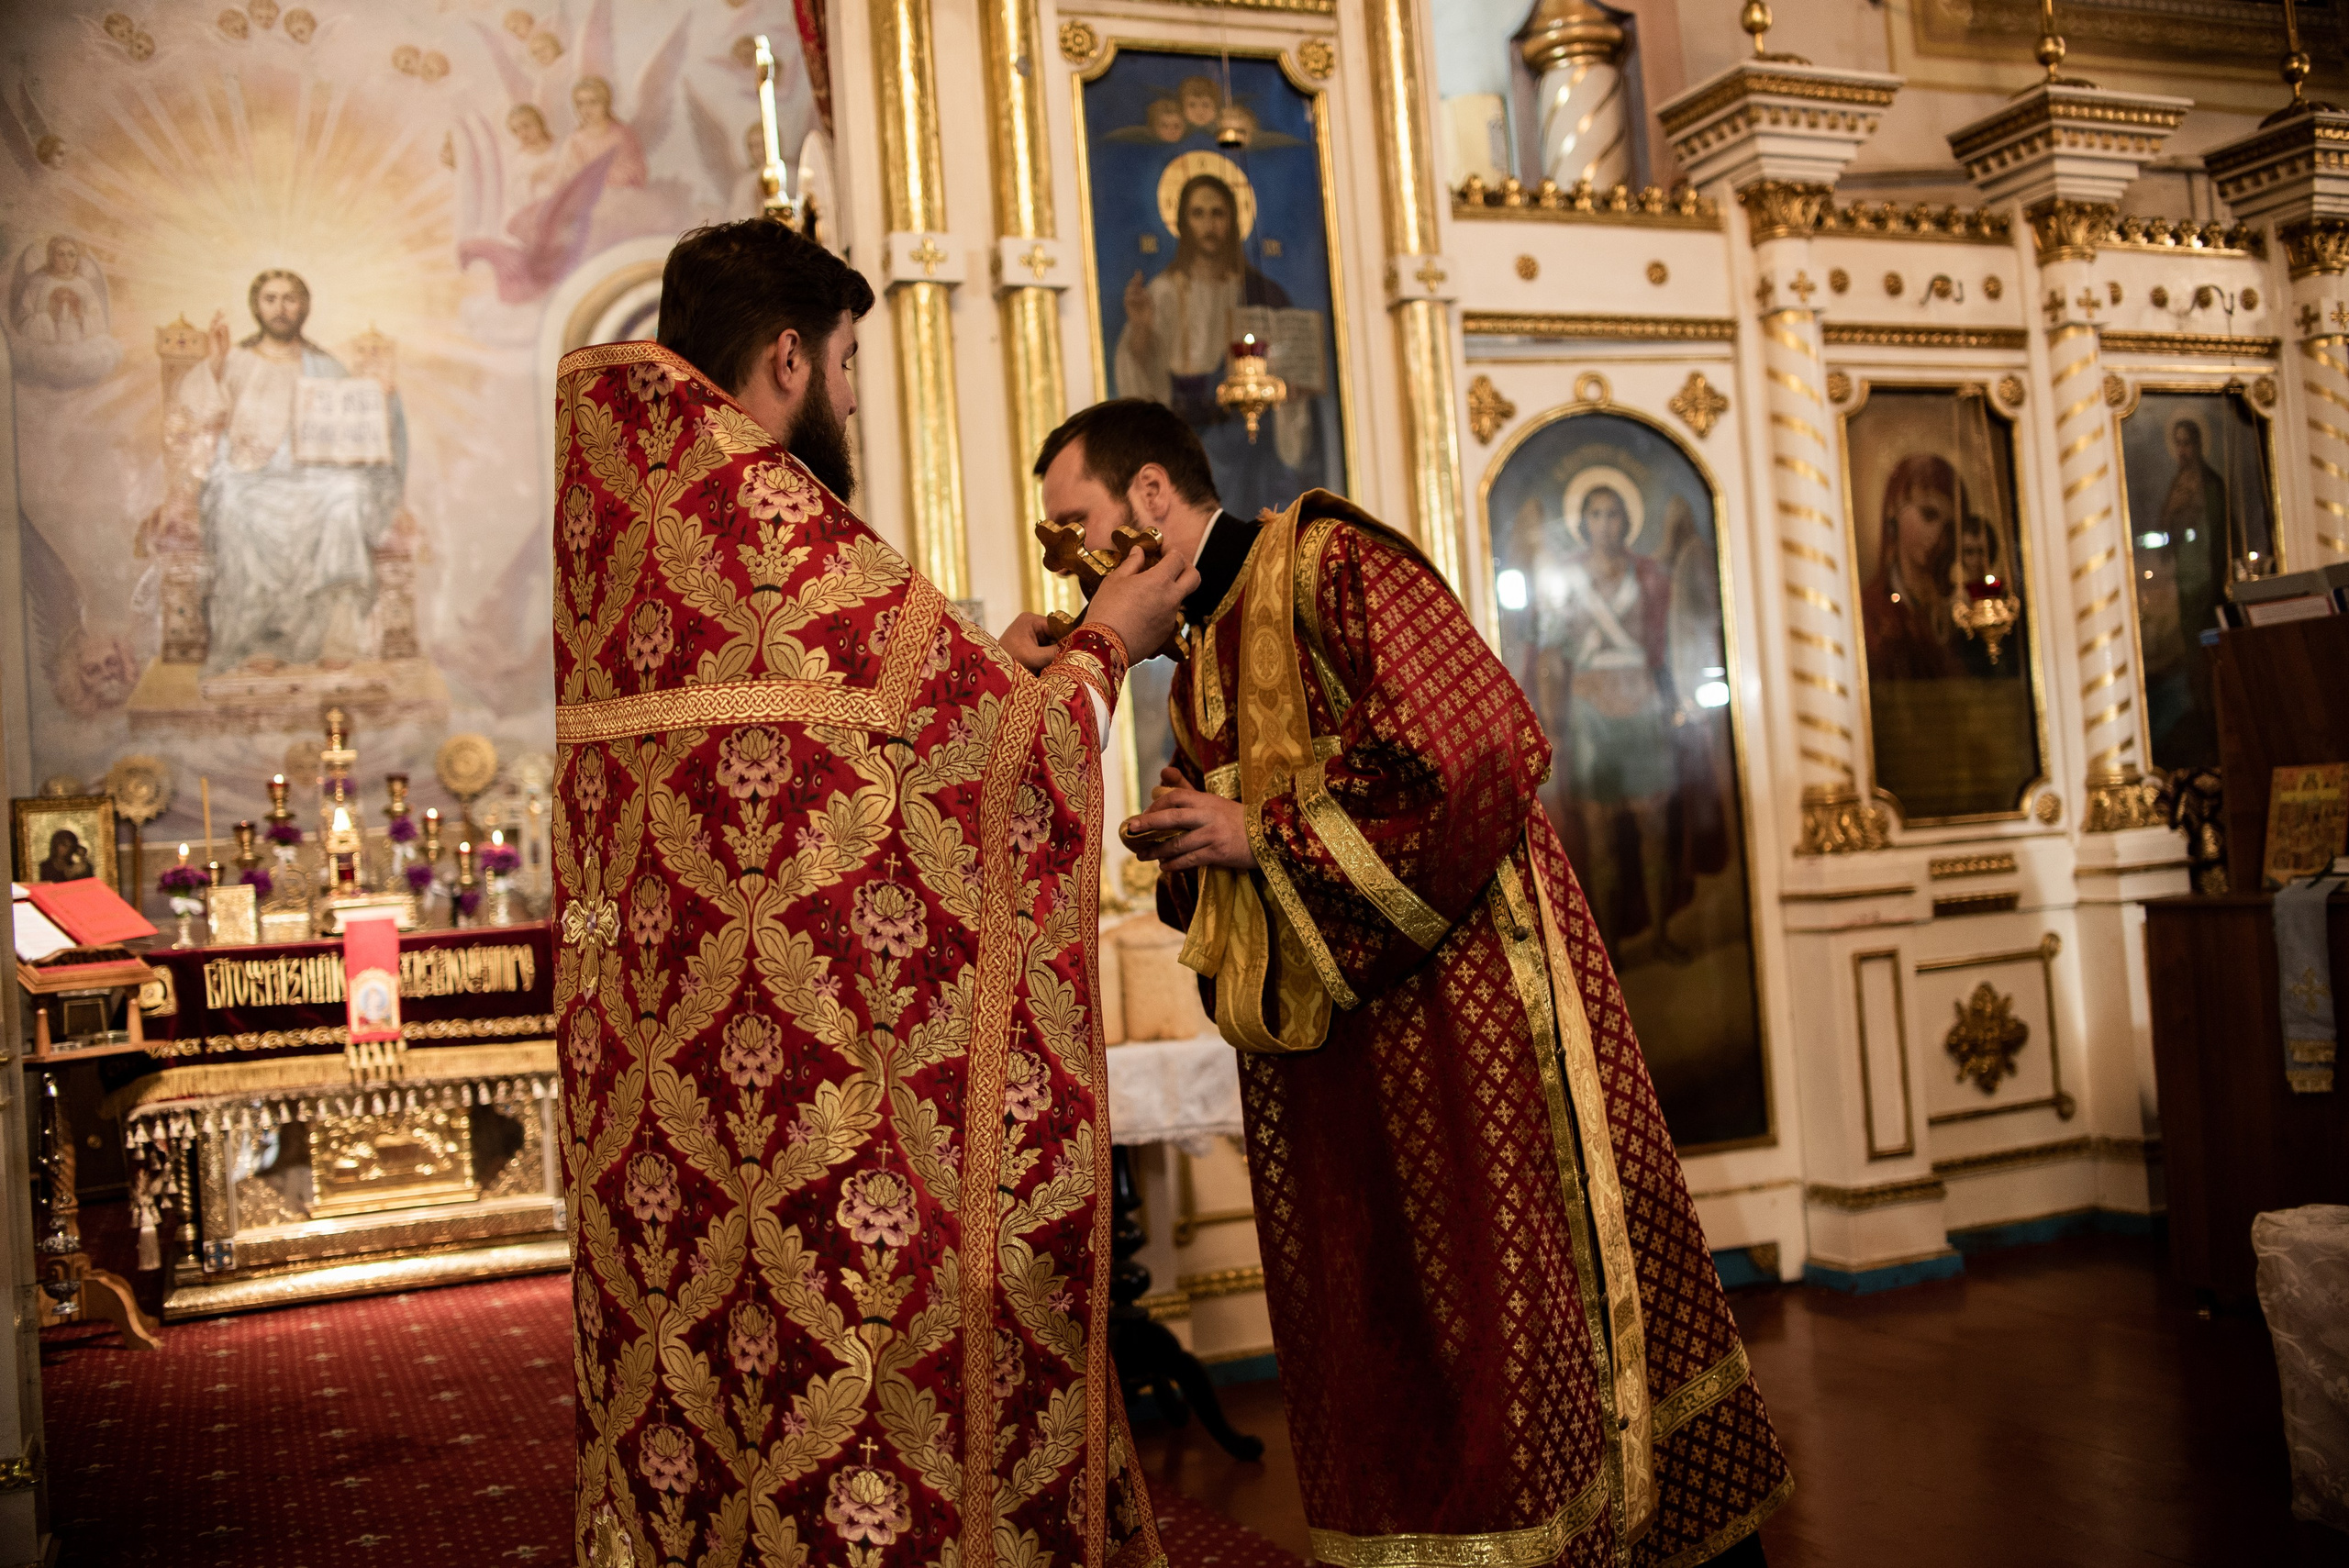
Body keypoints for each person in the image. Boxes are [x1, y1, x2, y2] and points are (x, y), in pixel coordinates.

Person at [1015, 398, 1789, 1565]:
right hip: (1345, 1062)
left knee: (1517, 1324)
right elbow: (1234, 858)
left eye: (1075, 527)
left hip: (1472, 1019)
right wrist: (1193, 853)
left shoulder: (1327, 558)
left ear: (1154, 499)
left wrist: (1261, 831)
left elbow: (1482, 743)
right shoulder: (1200, 663)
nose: (1069, 563)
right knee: (1394, 1334)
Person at [549, 220, 1193, 1568]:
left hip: (682, 1124)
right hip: (827, 1134)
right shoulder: (790, 527)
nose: (846, 397)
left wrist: (985, 662)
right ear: (787, 354)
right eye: (845, 365)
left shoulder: (634, 539)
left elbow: (852, 768)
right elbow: (1006, 771)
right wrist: (1100, 650)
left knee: (716, 1400)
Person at [176, 269, 406, 673]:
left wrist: (382, 395)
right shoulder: (236, 361)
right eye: (270, 298)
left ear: (303, 307)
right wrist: (213, 363)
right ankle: (257, 639)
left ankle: (336, 635)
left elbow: (357, 425)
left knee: (346, 497)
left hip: (313, 476)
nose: (280, 308)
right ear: (256, 307)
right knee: (232, 503)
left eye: (289, 299)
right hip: (250, 472)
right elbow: (198, 416)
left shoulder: (324, 365)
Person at [1113, 172, 1313, 510]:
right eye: (1198, 213)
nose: (1209, 224)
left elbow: (1291, 367)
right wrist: (1141, 328)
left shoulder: (1258, 292)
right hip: (1185, 441)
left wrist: (1289, 389)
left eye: (1218, 213)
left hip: (1246, 441)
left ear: (1233, 220)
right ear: (1183, 221)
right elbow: (1139, 374)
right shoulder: (1161, 293)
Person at [1859, 452, 1965, 683]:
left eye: (1948, 527)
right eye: (1929, 515)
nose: (1937, 536)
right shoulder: (1871, 609)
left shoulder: (1957, 610)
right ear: (1893, 511)